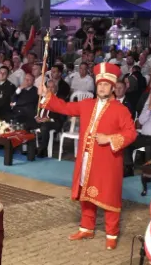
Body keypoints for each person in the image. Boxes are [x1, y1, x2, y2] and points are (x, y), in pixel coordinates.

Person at [42, 63, 137, 250]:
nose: (102, 88)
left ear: (112, 88)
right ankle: (86, 228)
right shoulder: (87, 104)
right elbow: (65, 107)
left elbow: (131, 133)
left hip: (108, 160)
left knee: (109, 196)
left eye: (106, 85)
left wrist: (109, 138)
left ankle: (111, 234)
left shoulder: (121, 109)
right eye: (100, 84)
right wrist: (47, 95)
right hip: (86, 157)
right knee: (85, 191)